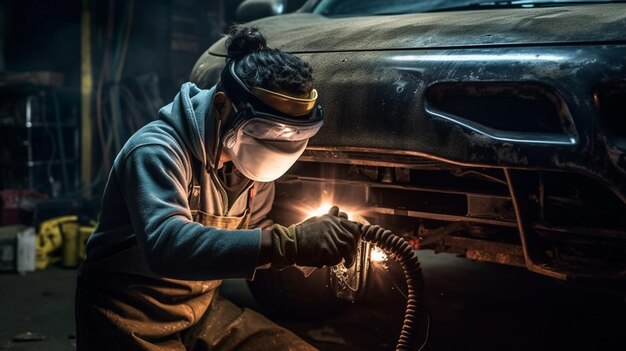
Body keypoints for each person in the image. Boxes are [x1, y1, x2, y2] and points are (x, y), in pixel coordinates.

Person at [75, 25, 362, 351]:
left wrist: (311, 242)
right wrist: (289, 244)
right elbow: (166, 246)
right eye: (267, 133)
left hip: (200, 311)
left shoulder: (250, 167)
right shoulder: (155, 151)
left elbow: (255, 234)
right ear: (222, 106)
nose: (277, 148)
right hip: (126, 312)